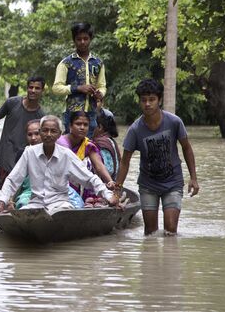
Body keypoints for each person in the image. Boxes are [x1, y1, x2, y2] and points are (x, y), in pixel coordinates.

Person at [112, 79, 199, 236]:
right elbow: (125, 162)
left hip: (173, 181)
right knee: (150, 233)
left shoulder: (174, 122)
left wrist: (193, 178)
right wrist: (117, 190)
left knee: (170, 230)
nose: (147, 104)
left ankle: (169, 259)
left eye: (151, 100)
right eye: (143, 100)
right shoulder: (135, 129)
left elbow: (187, 148)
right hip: (148, 184)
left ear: (159, 100)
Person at [0, 116, 119, 216]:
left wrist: (108, 196)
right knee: (24, 212)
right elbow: (13, 179)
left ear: (59, 134)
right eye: (45, 130)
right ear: (40, 132)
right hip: (36, 203)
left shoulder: (66, 155)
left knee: (64, 214)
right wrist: (1, 203)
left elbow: (89, 178)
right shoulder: (29, 152)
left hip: (60, 204)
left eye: (53, 131)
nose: (48, 134)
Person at [0, 76, 47, 189]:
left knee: (21, 190)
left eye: (37, 88)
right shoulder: (12, 103)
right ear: (27, 88)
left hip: (25, 157)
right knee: (6, 189)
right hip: (6, 154)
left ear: (42, 91)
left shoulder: (42, 116)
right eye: (30, 87)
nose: (33, 90)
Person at [52, 22, 106, 138]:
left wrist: (100, 93)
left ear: (90, 39)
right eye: (79, 39)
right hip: (71, 115)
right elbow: (56, 88)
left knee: (88, 147)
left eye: (85, 39)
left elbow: (102, 85)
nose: (82, 42)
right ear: (74, 40)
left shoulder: (98, 63)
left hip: (91, 114)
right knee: (70, 149)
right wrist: (78, 88)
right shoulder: (66, 63)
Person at [56, 111, 115, 201]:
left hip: (82, 180)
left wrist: (110, 181)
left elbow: (99, 165)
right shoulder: (61, 142)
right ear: (70, 126)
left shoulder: (88, 144)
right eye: (78, 124)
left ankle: (88, 196)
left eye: (85, 125)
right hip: (61, 182)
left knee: (88, 162)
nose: (82, 128)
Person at [13, 119, 41, 209]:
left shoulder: (57, 151)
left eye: (37, 134)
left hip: (54, 192)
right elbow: (16, 179)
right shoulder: (23, 153)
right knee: (23, 203)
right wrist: (10, 201)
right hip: (29, 193)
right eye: (30, 134)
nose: (33, 138)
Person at [92, 109, 121, 181]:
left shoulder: (100, 143)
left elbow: (108, 169)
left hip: (105, 184)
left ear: (100, 127)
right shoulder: (110, 140)